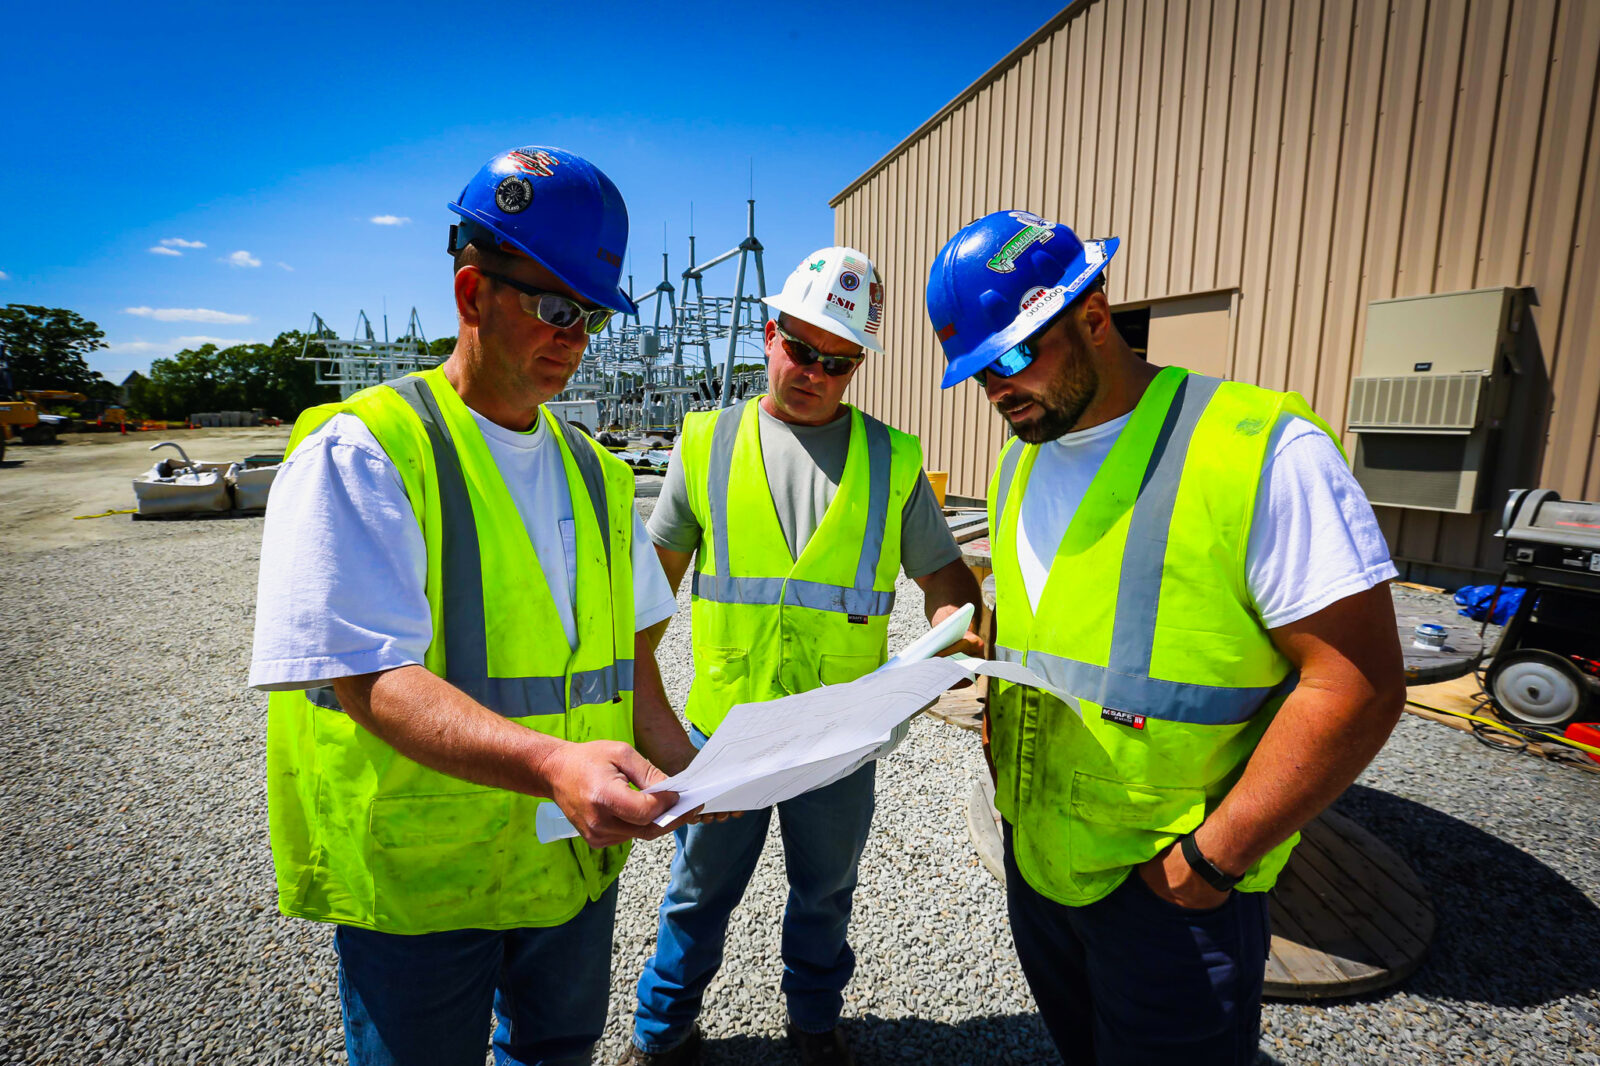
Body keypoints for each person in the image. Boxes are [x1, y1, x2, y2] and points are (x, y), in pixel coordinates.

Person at [249, 145, 705, 1066]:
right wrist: (554, 765)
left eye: (590, 319)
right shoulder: (368, 452)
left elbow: (634, 664)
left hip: (567, 862)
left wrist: (696, 766)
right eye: (553, 308)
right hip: (429, 879)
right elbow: (369, 677)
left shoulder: (597, 472)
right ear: (471, 294)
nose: (574, 340)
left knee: (555, 1052)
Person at [925, 210, 1406, 1065]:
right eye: (977, 374)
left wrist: (1208, 865)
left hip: (1174, 892)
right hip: (1040, 865)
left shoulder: (1259, 450)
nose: (998, 391)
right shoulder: (1021, 460)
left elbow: (1357, 686)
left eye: (1013, 357)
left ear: (1094, 316)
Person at [617, 247, 984, 1066]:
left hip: (837, 744)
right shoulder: (704, 444)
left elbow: (948, 582)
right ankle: (661, 1034)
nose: (815, 371)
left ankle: (815, 1027)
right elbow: (647, 606)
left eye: (840, 361)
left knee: (825, 894)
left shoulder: (893, 462)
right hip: (724, 739)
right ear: (770, 331)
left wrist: (952, 632)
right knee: (696, 894)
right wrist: (651, 725)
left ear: (858, 365)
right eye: (802, 347)